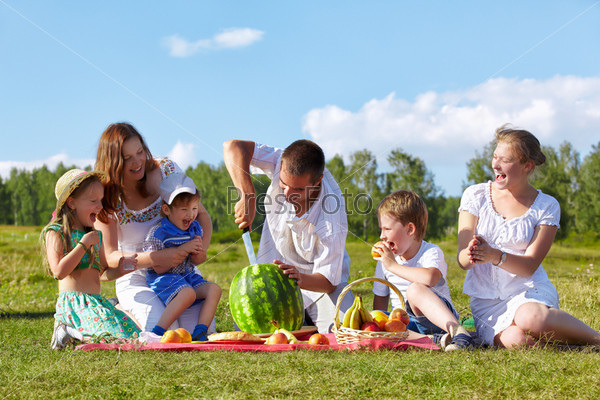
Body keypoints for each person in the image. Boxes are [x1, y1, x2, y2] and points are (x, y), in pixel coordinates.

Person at [457, 124, 600, 348]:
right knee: (516, 341)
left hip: (528, 290)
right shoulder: (475, 196)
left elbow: (529, 266)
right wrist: (472, 253)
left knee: (529, 317)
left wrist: (495, 255)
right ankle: (572, 345)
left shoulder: (546, 206)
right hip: (487, 302)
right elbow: (462, 262)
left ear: (527, 165)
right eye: (495, 156)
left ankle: (596, 339)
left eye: (505, 160)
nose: (496, 164)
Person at [223, 139, 354, 333]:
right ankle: (306, 322)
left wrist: (298, 277)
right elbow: (233, 146)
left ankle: (308, 319)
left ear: (318, 180)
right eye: (283, 184)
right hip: (272, 281)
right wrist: (247, 193)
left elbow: (328, 281)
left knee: (346, 329)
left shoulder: (332, 218)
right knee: (249, 333)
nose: (287, 194)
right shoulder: (281, 160)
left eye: (298, 189)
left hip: (318, 283)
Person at [94, 122, 215, 333]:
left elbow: (202, 215)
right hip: (137, 275)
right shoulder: (106, 195)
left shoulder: (166, 170)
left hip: (181, 271)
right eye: (127, 157)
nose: (137, 161)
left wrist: (199, 250)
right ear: (112, 161)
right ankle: (120, 309)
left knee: (198, 332)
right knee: (161, 332)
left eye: (140, 151)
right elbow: (111, 255)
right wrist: (156, 258)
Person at [41, 169, 141, 349]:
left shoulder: (96, 236)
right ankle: (65, 327)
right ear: (71, 203)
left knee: (133, 334)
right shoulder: (56, 233)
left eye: (100, 200)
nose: (100, 206)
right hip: (73, 304)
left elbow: (101, 274)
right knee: (108, 337)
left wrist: (120, 269)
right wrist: (83, 245)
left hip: (95, 302)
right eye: (93, 201)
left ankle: (73, 334)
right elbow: (59, 272)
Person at [372, 190, 472, 351]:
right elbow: (380, 299)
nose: (382, 236)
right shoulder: (385, 259)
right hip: (407, 325)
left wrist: (392, 266)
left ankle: (458, 332)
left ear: (410, 229)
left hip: (439, 320)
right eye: (381, 229)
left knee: (415, 290)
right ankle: (433, 340)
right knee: (372, 318)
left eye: (387, 229)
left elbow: (430, 278)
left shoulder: (430, 251)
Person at [144, 173, 221, 341]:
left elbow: (197, 261)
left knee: (214, 289)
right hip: (163, 277)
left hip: (187, 276)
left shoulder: (194, 229)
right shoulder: (158, 234)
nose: (191, 215)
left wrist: (199, 253)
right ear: (167, 210)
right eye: (184, 209)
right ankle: (156, 333)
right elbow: (158, 267)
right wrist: (184, 249)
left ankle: (201, 331)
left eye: (194, 208)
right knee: (188, 294)